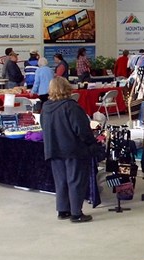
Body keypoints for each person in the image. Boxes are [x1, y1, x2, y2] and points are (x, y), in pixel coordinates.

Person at [41, 77, 98, 223]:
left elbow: (43, 126)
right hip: (73, 149)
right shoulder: (71, 107)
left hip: (53, 149)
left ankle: (63, 210)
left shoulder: (46, 107)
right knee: (75, 181)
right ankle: (76, 213)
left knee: (61, 181)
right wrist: (92, 143)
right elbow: (82, 129)